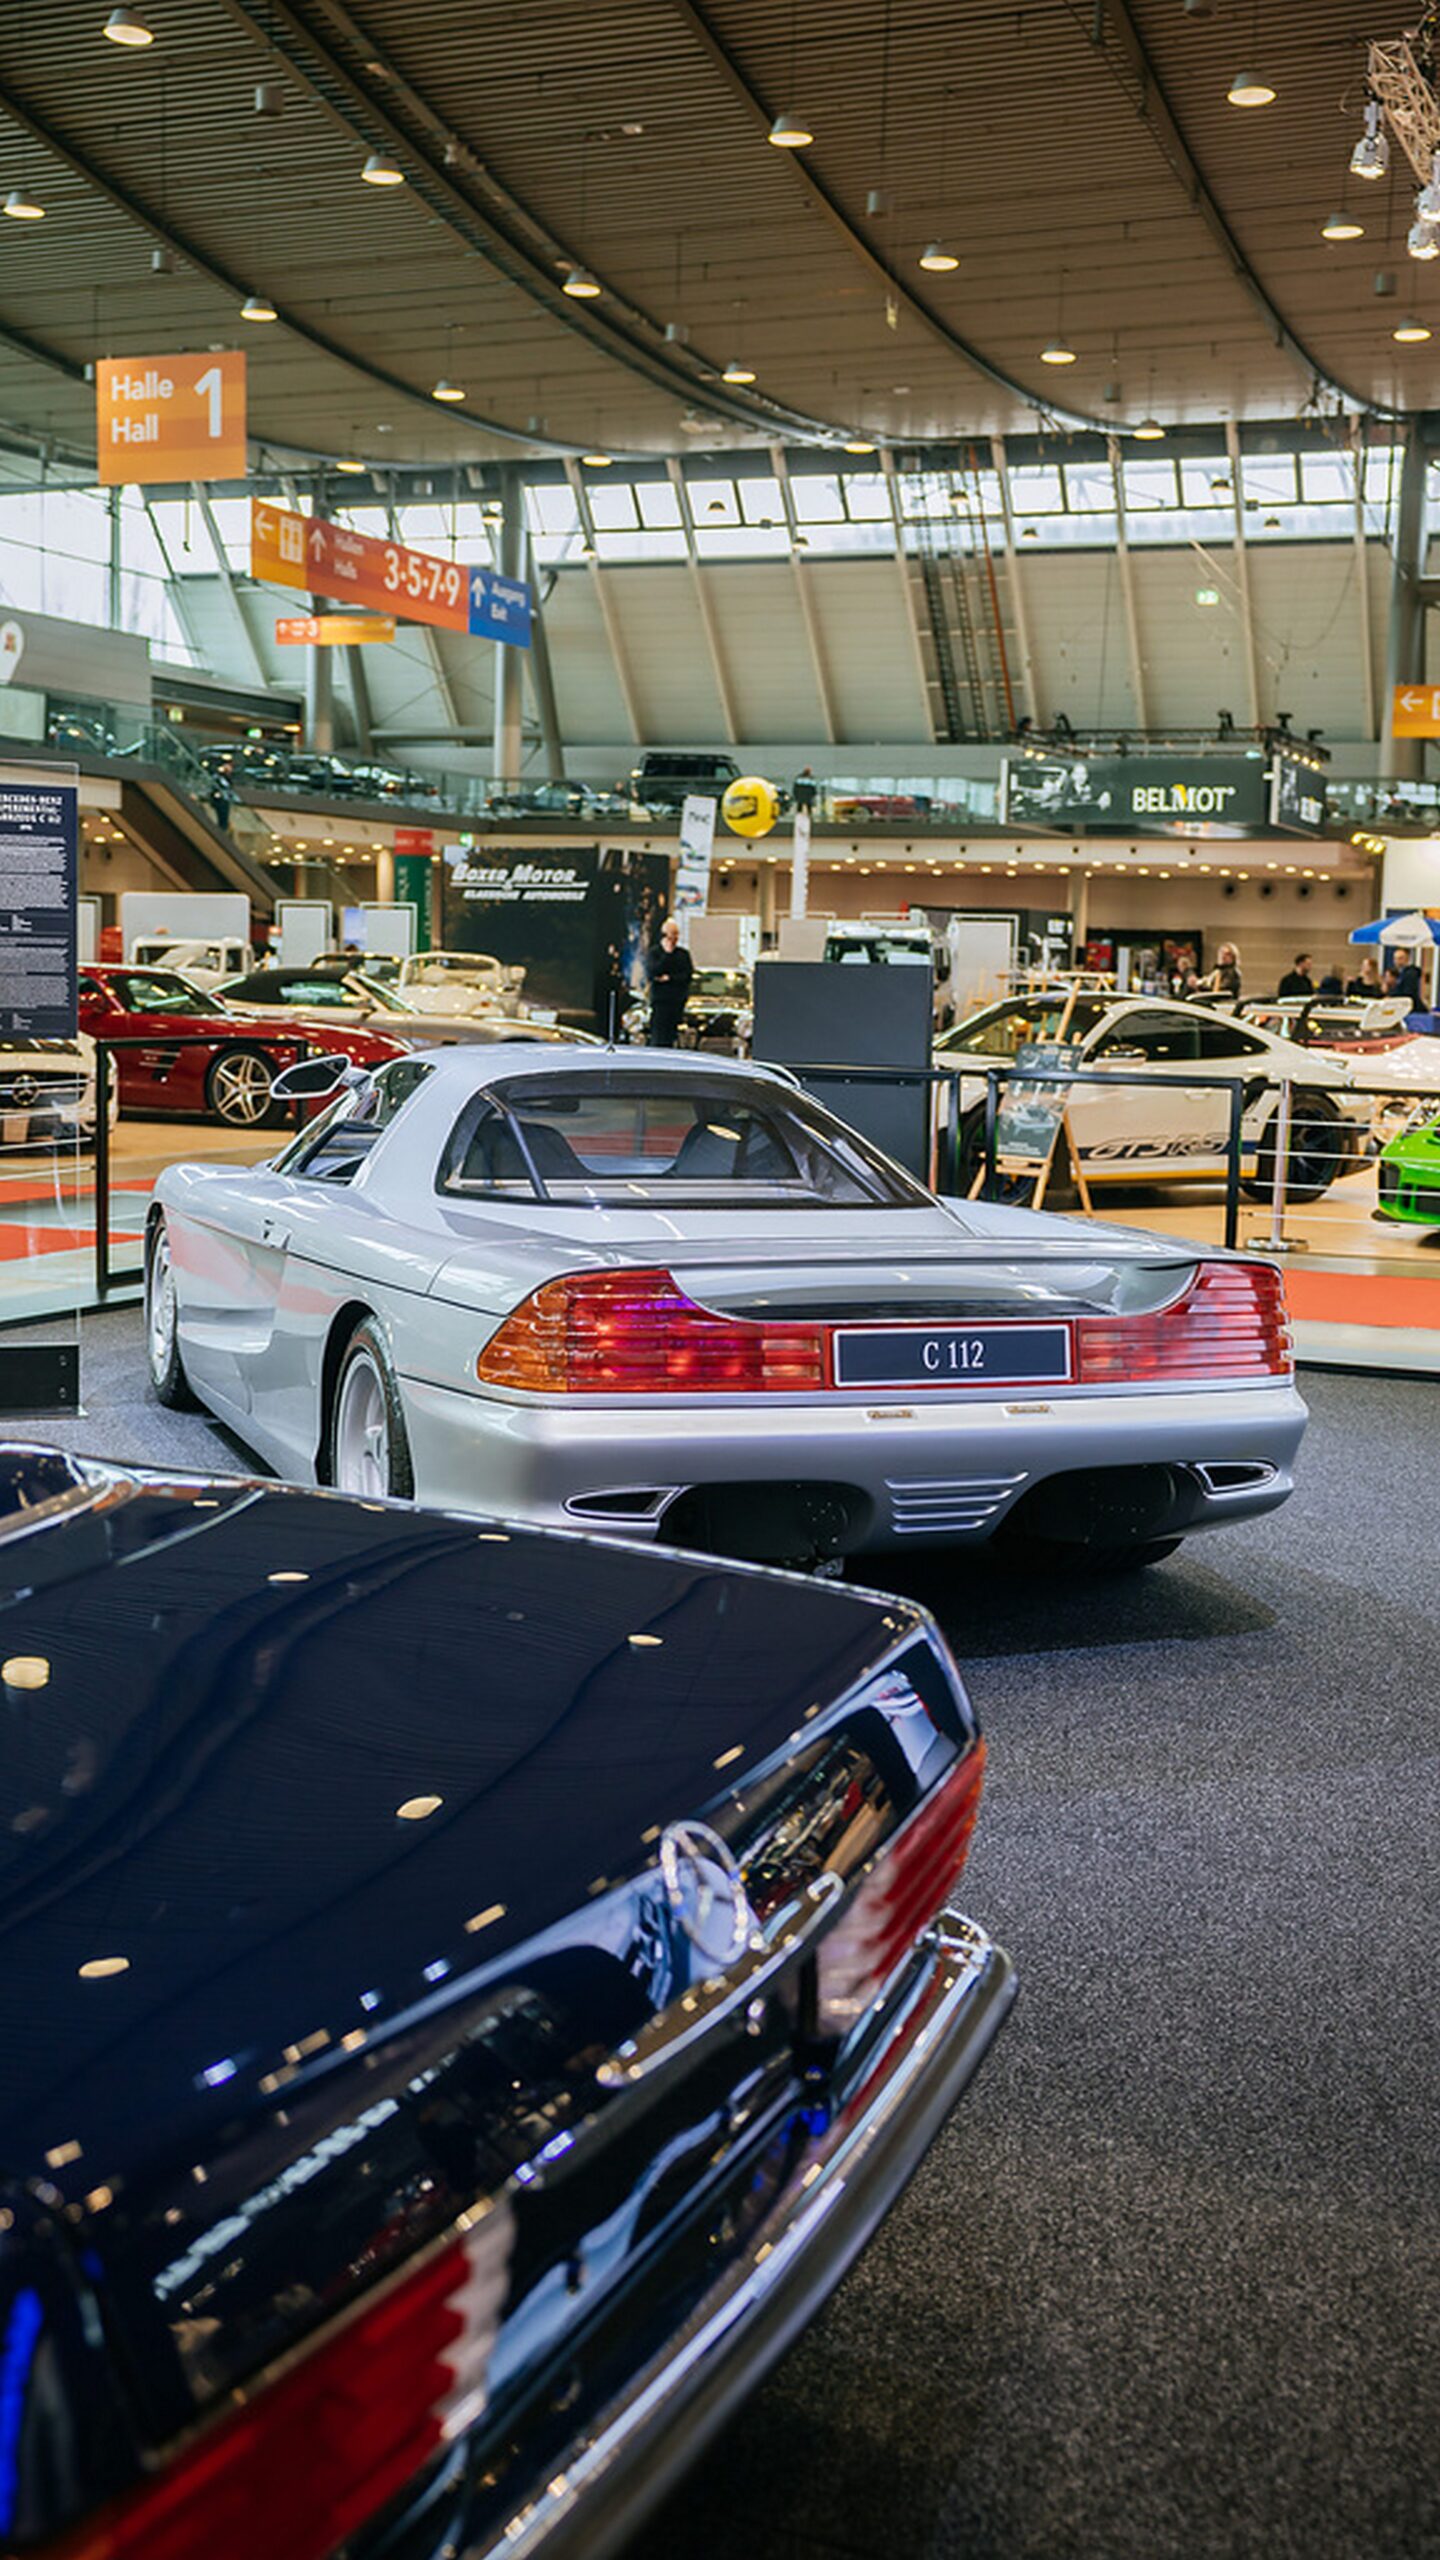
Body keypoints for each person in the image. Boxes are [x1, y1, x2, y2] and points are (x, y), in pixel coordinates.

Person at [647, 915, 693, 1047]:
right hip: (660, 1001)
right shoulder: (655, 953)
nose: (675, 938)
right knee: (659, 1035)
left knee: (673, 1035)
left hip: (677, 1000)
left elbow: (687, 975)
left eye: (676, 934)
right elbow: (653, 972)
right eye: (672, 934)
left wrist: (669, 978)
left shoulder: (683, 954)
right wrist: (667, 954)